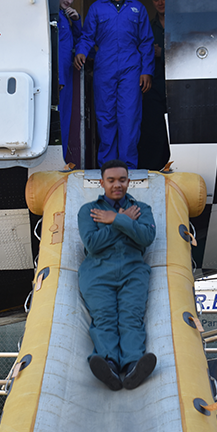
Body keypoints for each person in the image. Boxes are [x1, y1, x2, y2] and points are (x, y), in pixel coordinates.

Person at [78, 159, 157, 390]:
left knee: (131, 317)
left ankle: (133, 365)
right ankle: (109, 364)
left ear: (128, 181)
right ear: (102, 183)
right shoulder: (88, 211)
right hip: (97, 274)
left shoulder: (142, 209)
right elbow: (92, 244)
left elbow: (146, 238)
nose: (117, 185)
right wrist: (122, 222)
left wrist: (114, 219)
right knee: (104, 317)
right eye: (111, 180)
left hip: (133, 272)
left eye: (122, 180)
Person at [73, 0, 154, 170]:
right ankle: (108, 168)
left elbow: (146, 42)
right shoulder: (96, 8)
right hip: (105, 69)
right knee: (106, 118)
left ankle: (128, 169)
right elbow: (86, 36)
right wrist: (82, 51)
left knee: (129, 118)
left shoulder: (138, 9)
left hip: (131, 70)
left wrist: (146, 71)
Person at [137, 0, 170, 170]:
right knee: (154, 130)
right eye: (156, 0)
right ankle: (156, 169)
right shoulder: (148, 27)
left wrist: (162, 52)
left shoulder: (181, 25)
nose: (160, 3)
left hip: (180, 86)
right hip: (154, 86)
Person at [58, 0, 82, 164]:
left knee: (66, 120)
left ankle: (63, 162)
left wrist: (77, 21)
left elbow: (77, 41)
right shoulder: (54, 18)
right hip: (59, 79)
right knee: (60, 122)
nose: (69, 1)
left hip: (66, 77)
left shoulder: (65, 18)